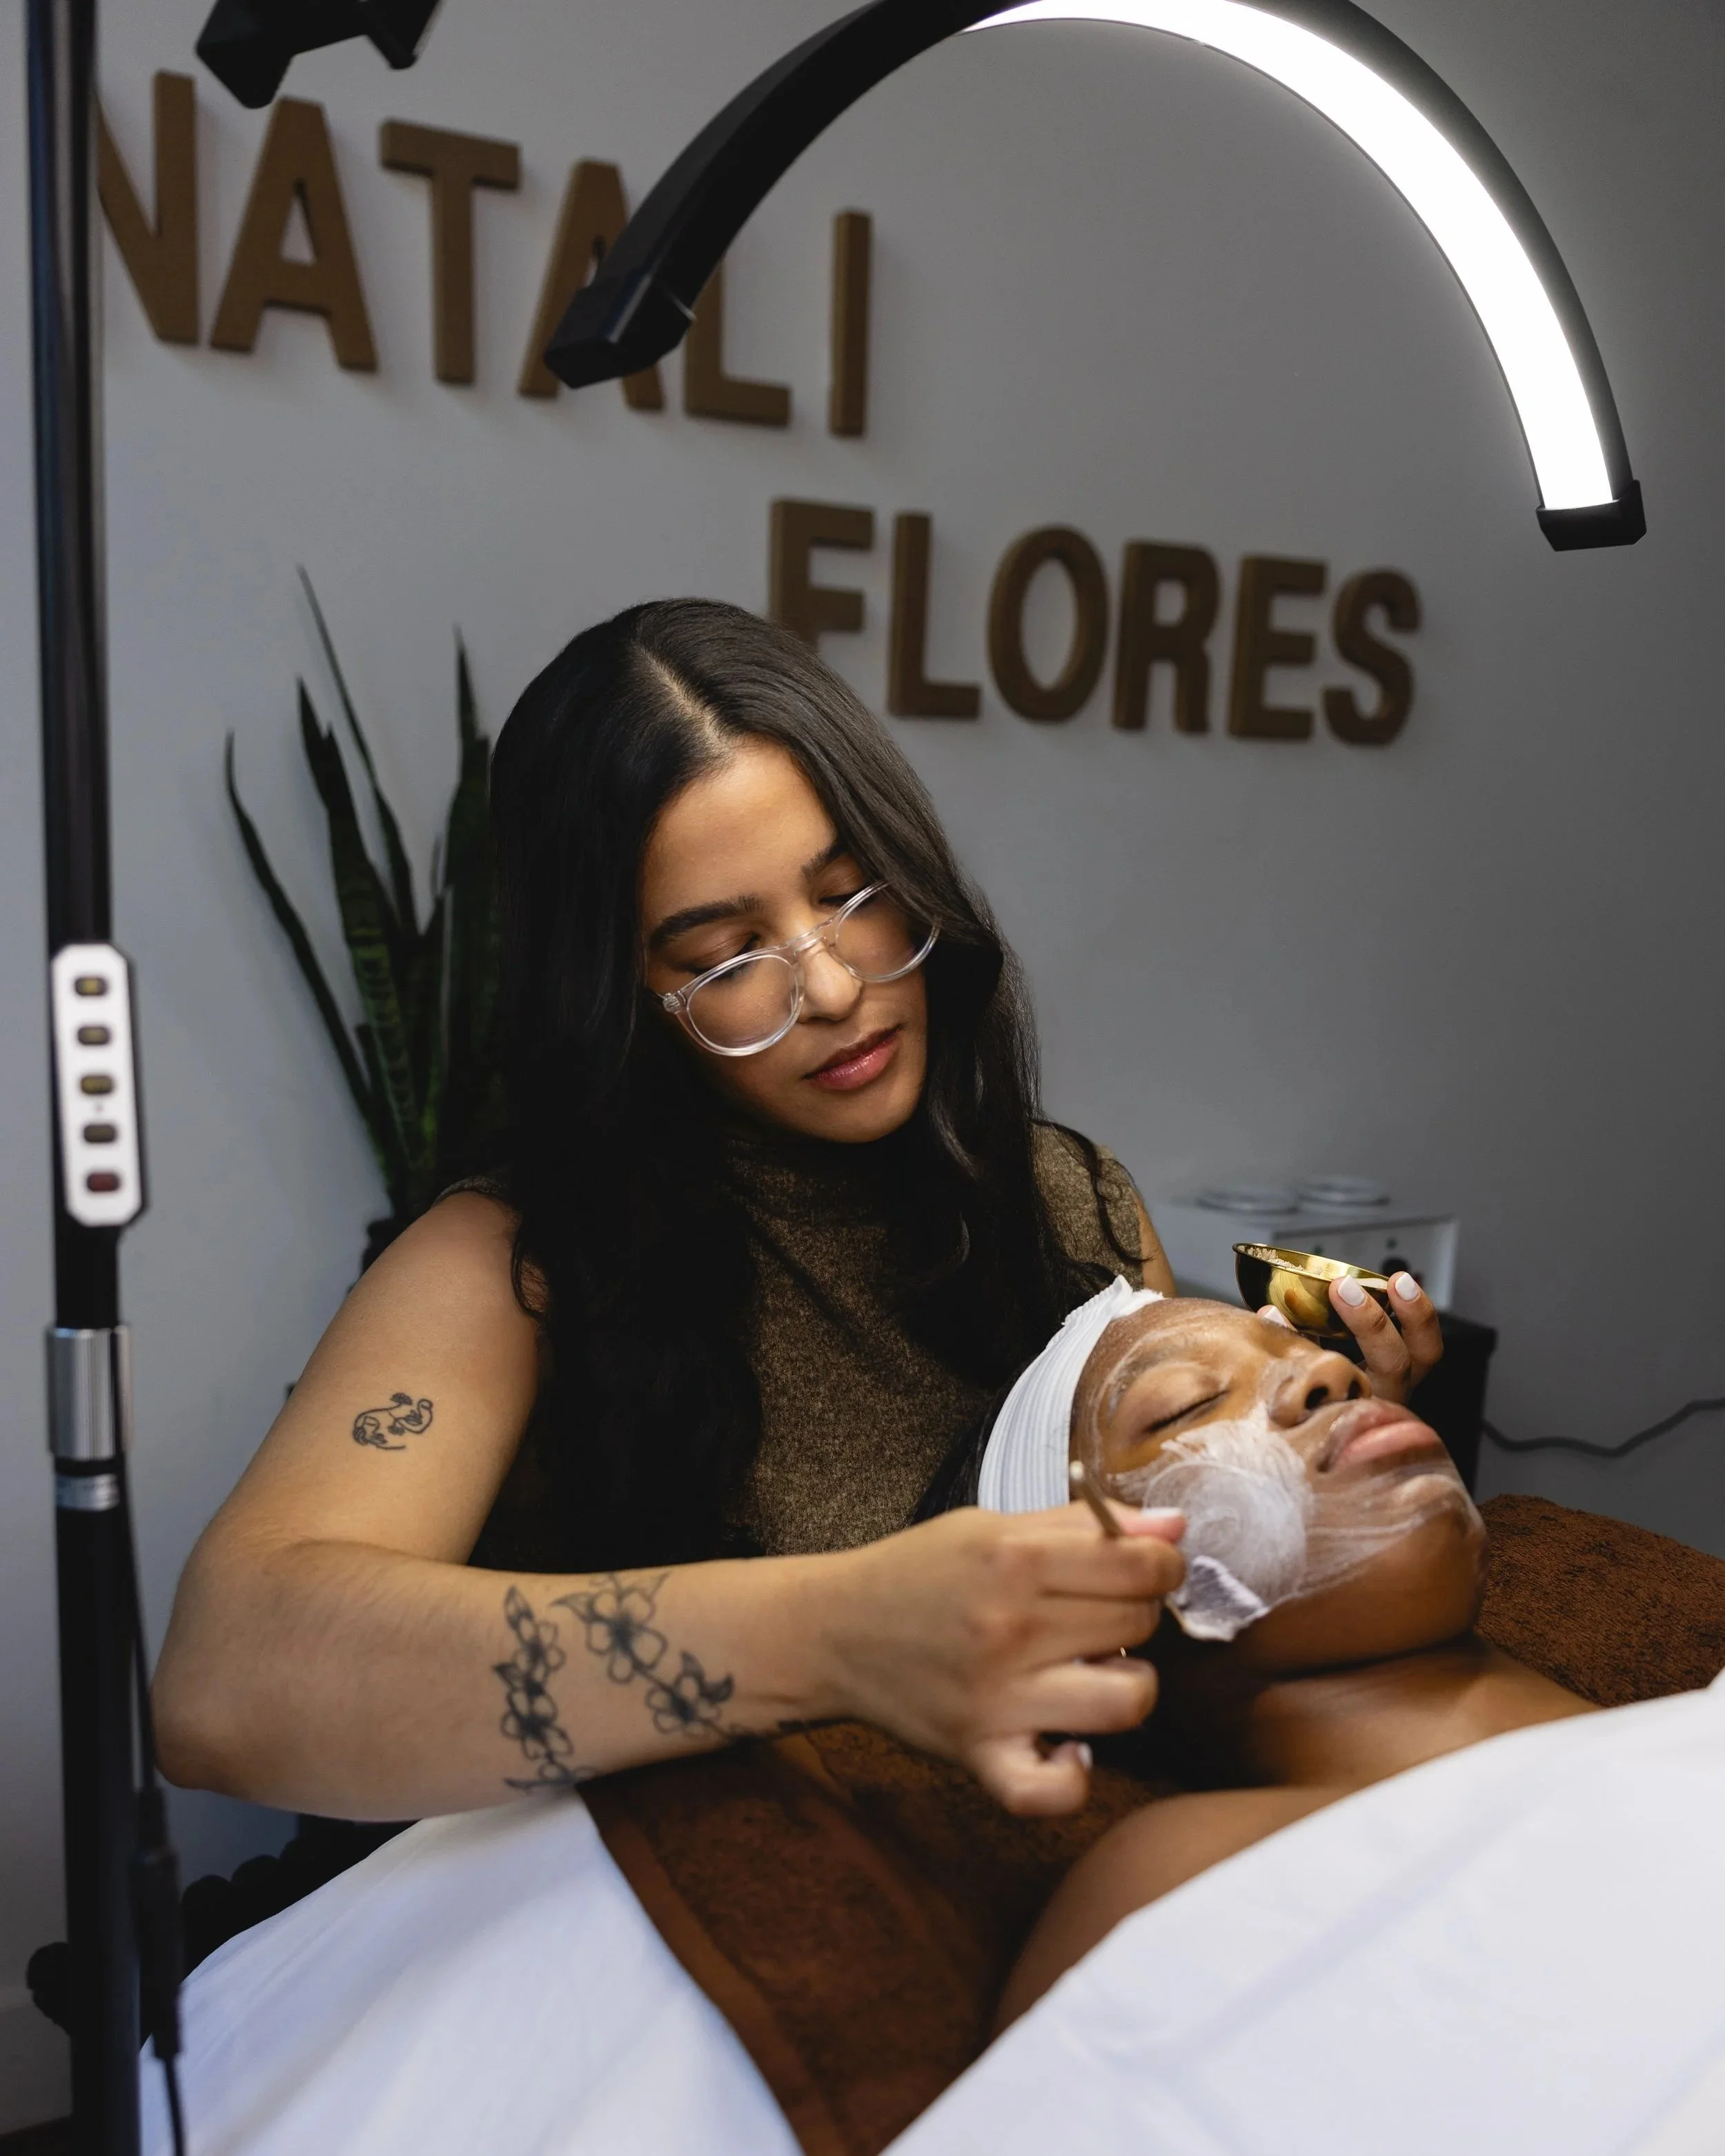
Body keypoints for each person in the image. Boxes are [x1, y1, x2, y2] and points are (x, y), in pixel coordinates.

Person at [153, 597, 1438, 1826]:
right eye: (724, 957)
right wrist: (836, 1632)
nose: (829, 989)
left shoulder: (1072, 1202)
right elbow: (224, 1689)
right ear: (620, 996)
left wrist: (1309, 1457)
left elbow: (1176, 1629)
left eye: (853, 896)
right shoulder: (509, 1271)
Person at [970, 1287, 1608, 2022]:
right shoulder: (1187, 1885)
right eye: (1186, 1406)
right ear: (1103, 1619)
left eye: (1309, 1351)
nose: (1335, 1375)